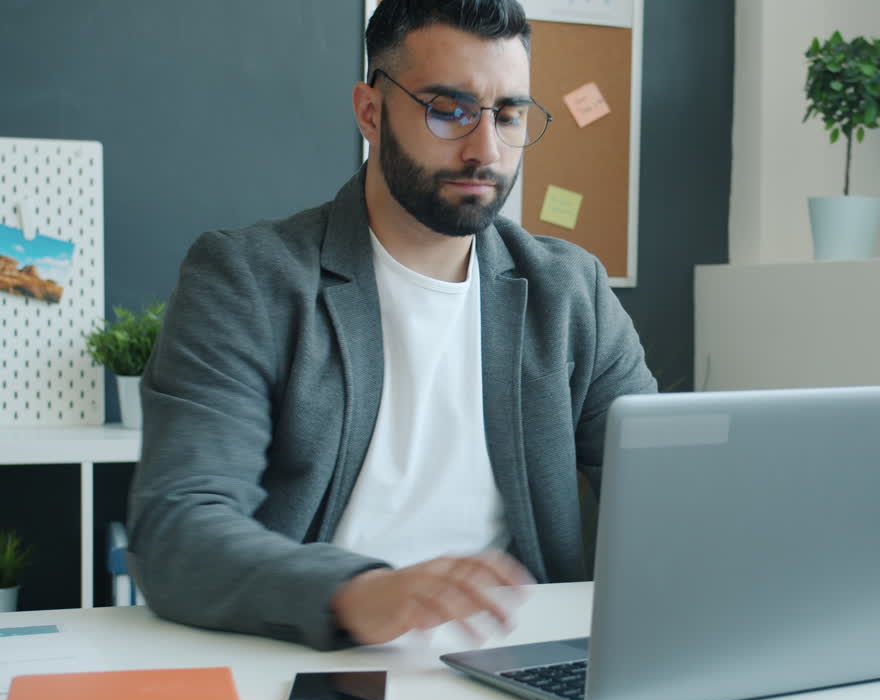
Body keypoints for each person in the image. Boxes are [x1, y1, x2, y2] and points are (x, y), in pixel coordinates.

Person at [126, 0, 655, 651]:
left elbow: (668, 492)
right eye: (448, 109)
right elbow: (178, 531)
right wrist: (357, 593)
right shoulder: (248, 280)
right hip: (317, 657)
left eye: (508, 114)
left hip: (517, 659)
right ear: (370, 112)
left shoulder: (571, 292)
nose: (484, 149)